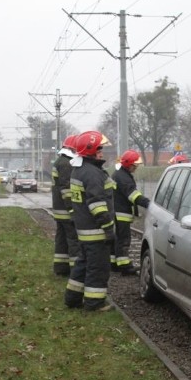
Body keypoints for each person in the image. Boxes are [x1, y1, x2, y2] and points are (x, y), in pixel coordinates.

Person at [64, 130, 115, 312]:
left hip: (84, 230)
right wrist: (108, 228)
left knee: (82, 265)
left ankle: (72, 298)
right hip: (96, 231)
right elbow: (97, 204)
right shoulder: (93, 173)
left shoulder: (79, 170)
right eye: (99, 149)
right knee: (97, 268)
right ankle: (94, 303)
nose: (102, 152)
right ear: (90, 150)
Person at [112, 149, 150, 276]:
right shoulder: (123, 177)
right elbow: (133, 195)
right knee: (123, 239)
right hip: (120, 212)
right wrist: (148, 203)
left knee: (118, 238)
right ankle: (124, 266)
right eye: (135, 165)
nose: (136, 167)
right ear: (129, 164)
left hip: (118, 211)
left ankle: (114, 263)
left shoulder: (120, 174)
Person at [51, 135, 80, 277]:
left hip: (59, 209)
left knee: (61, 239)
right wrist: (72, 209)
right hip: (66, 210)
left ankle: (61, 268)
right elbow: (67, 189)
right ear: (72, 148)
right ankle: (75, 270)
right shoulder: (66, 163)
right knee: (73, 240)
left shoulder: (59, 161)